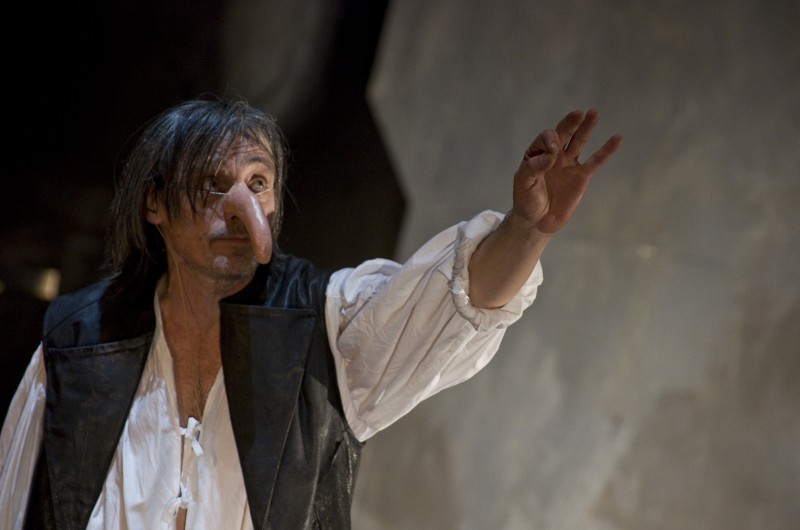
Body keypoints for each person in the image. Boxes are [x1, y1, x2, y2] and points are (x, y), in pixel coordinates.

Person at [0, 97, 622, 529]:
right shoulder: (80, 342)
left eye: (258, 182)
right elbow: (16, 502)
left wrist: (527, 229)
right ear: (155, 204)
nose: (240, 206)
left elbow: (451, 302)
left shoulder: (320, 324)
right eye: (213, 184)